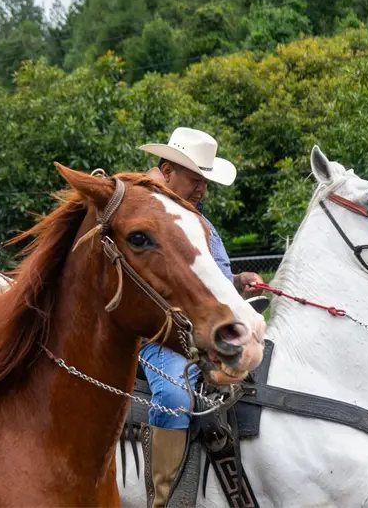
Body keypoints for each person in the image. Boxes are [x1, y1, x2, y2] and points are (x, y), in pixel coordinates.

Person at [138, 127, 264, 507]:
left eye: (205, 182)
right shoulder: (151, 217)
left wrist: (237, 282)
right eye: (195, 179)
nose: (202, 190)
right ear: (166, 171)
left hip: (210, 328)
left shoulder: (197, 221)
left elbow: (207, 282)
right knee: (174, 395)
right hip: (166, 335)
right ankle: (165, 496)